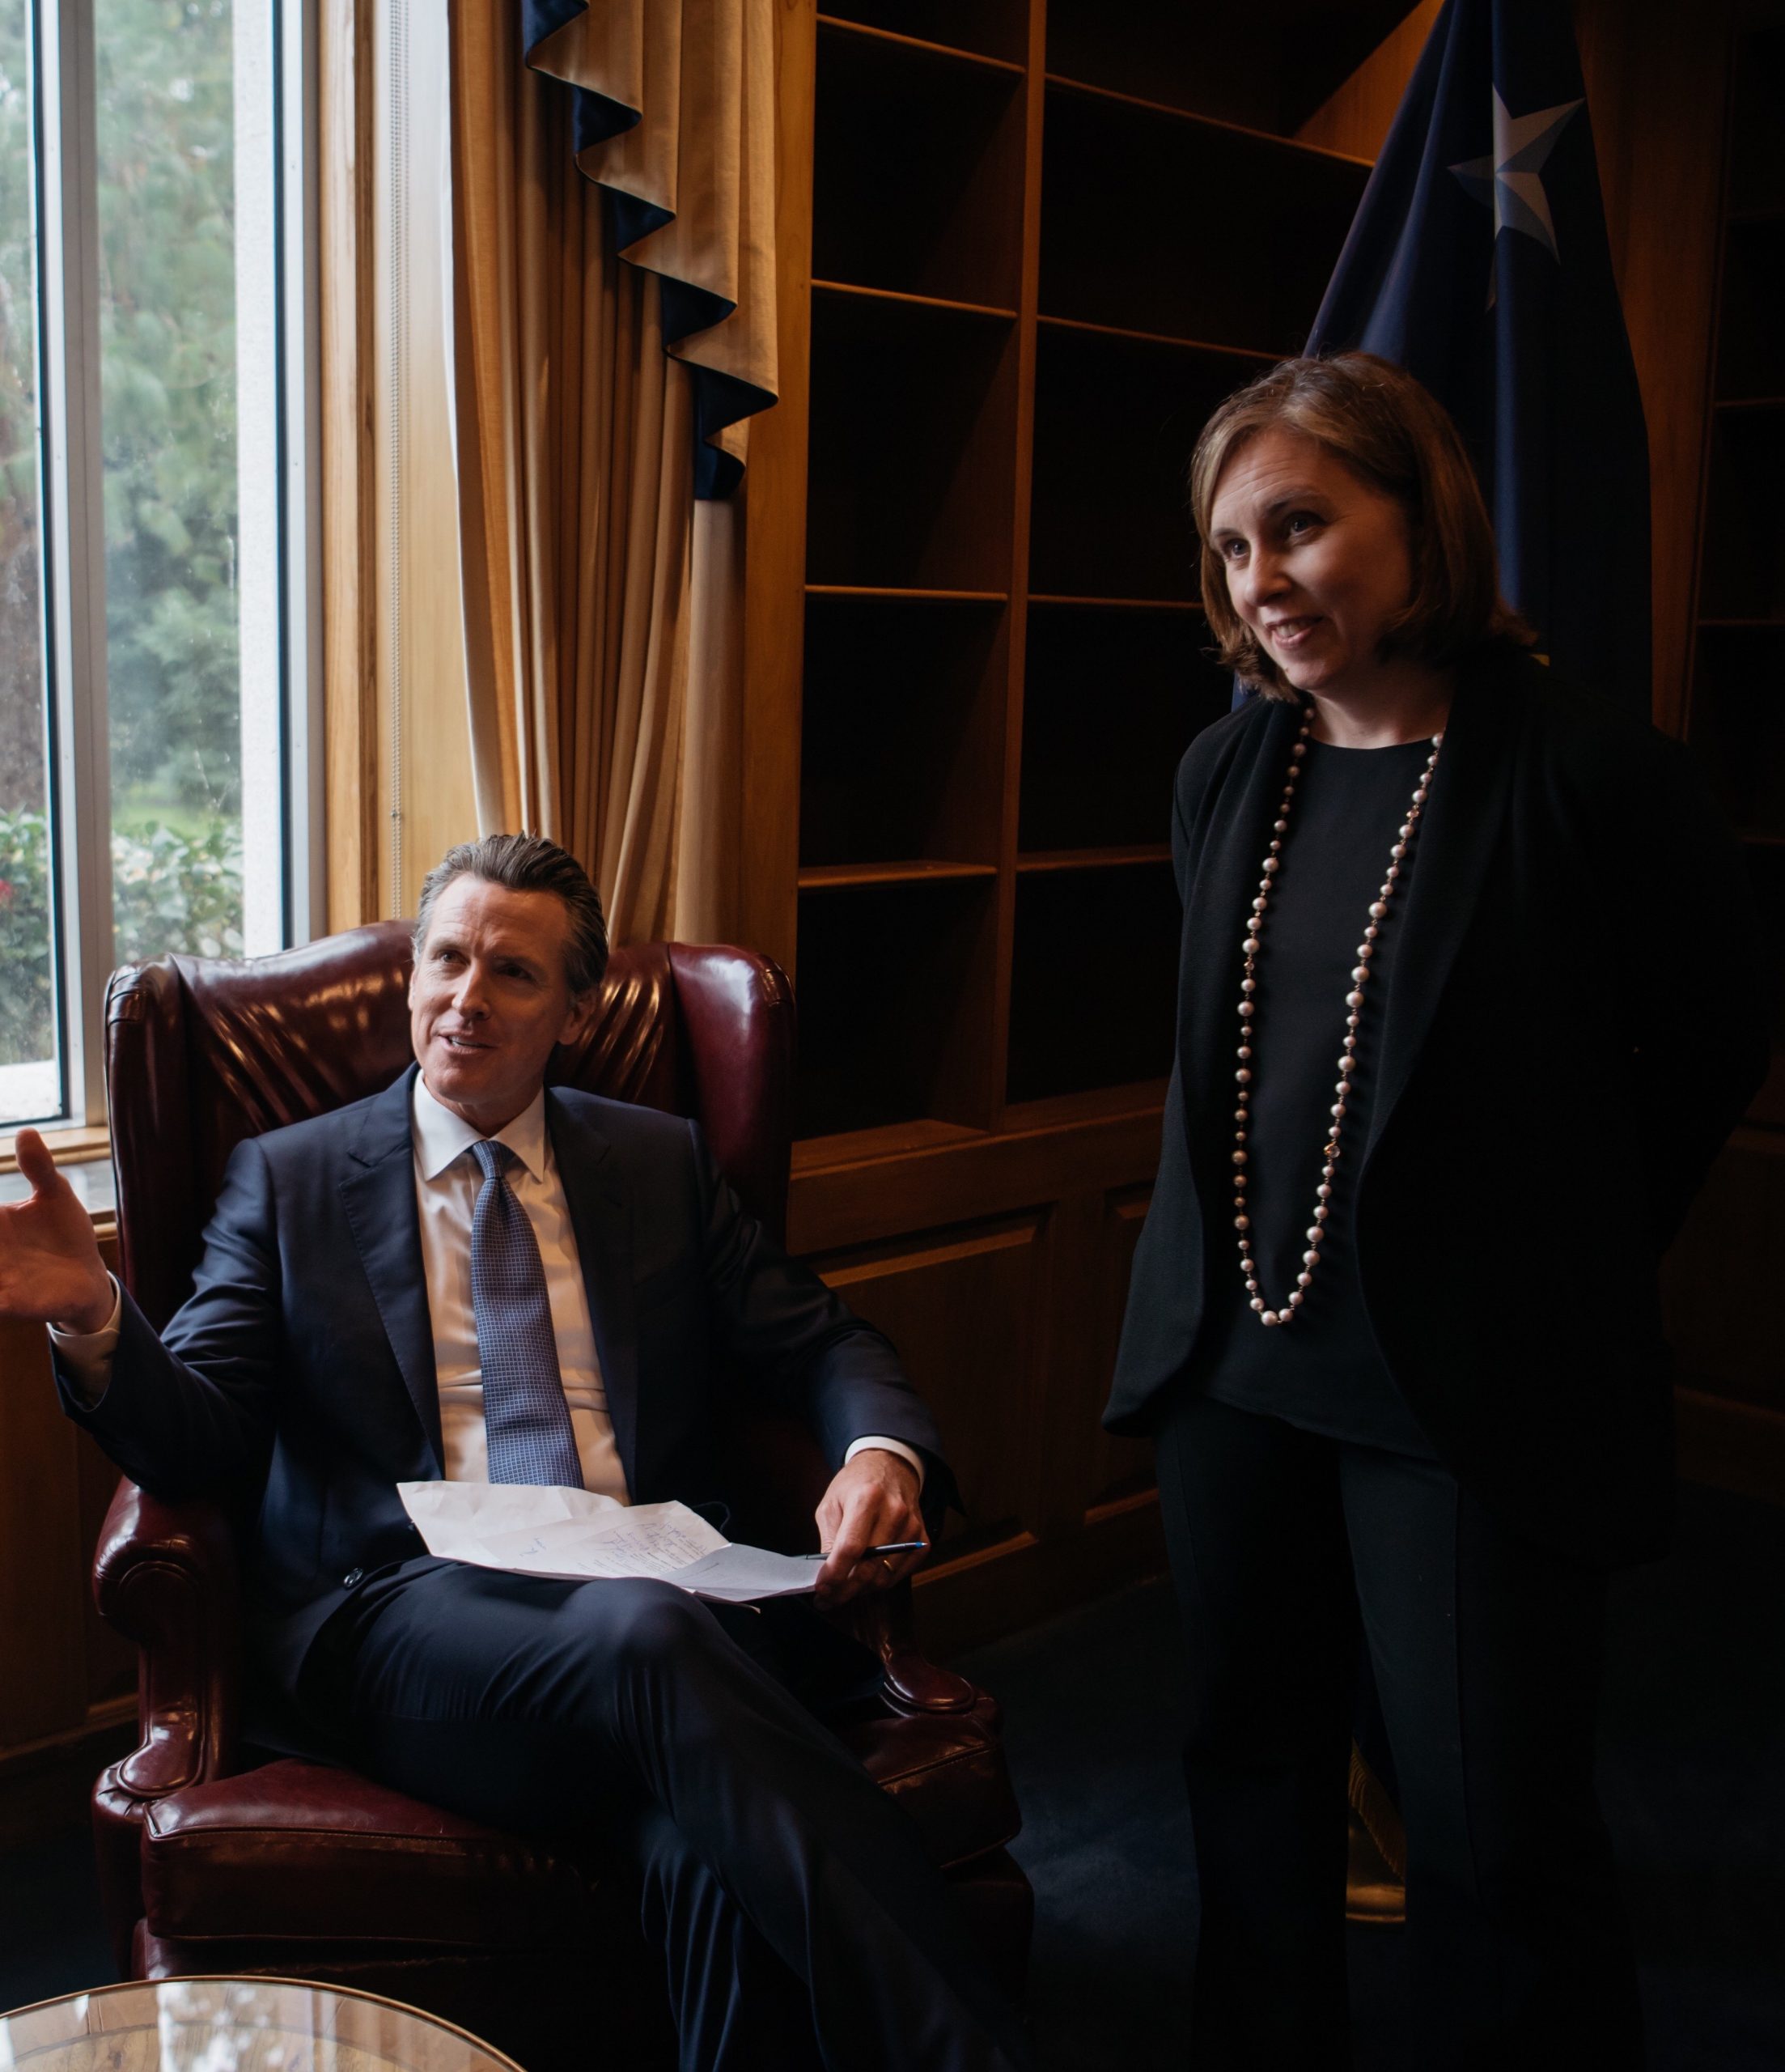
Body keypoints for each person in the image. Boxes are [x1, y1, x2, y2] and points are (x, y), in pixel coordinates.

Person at [0, 833, 1033, 2072]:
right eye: (446, 959)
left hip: (663, 1593)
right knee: (645, 1632)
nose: (464, 1000)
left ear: (574, 1010)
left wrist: (881, 1454)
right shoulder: (290, 1181)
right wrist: (91, 1312)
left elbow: (817, 1338)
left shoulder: (652, 1164)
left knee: (696, 1841)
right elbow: (200, 1433)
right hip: (400, 1620)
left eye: (512, 974)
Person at [1106, 353, 1770, 2070]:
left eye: (1302, 525)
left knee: (1492, 1836)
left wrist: (1556, 1256)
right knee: (1248, 1785)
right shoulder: (1219, 774)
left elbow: (1705, 1042)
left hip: (1459, 1395)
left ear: (1424, 519)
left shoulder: (1588, 771)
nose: (1261, 582)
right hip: (1228, 1370)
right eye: (1232, 549)